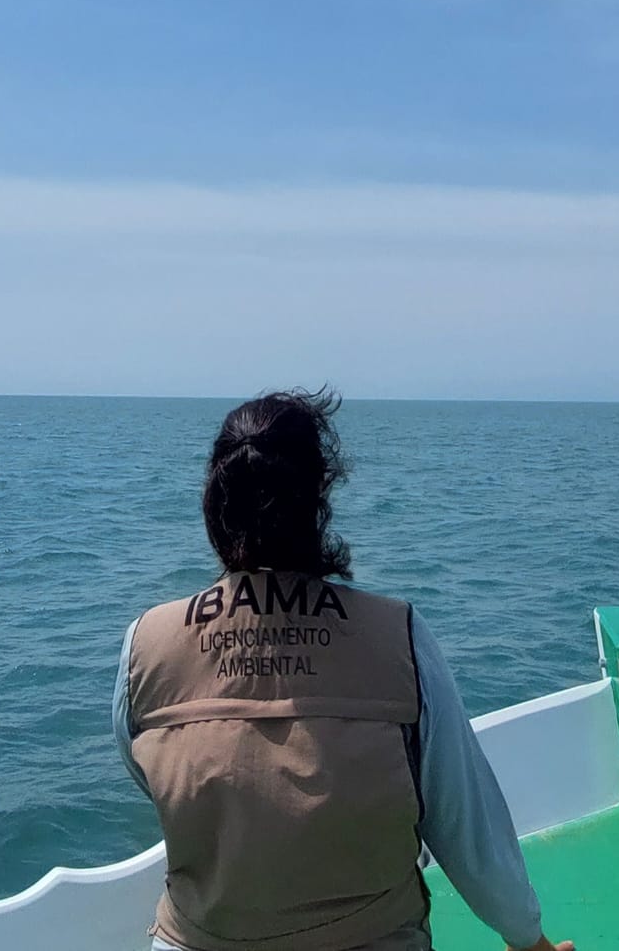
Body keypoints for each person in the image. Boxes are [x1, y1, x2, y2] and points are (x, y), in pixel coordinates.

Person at [113, 389, 574, 951]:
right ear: (318, 497)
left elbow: (147, 768)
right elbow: (466, 826)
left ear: (215, 501)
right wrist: (529, 940)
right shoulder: (398, 637)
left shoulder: (146, 644)